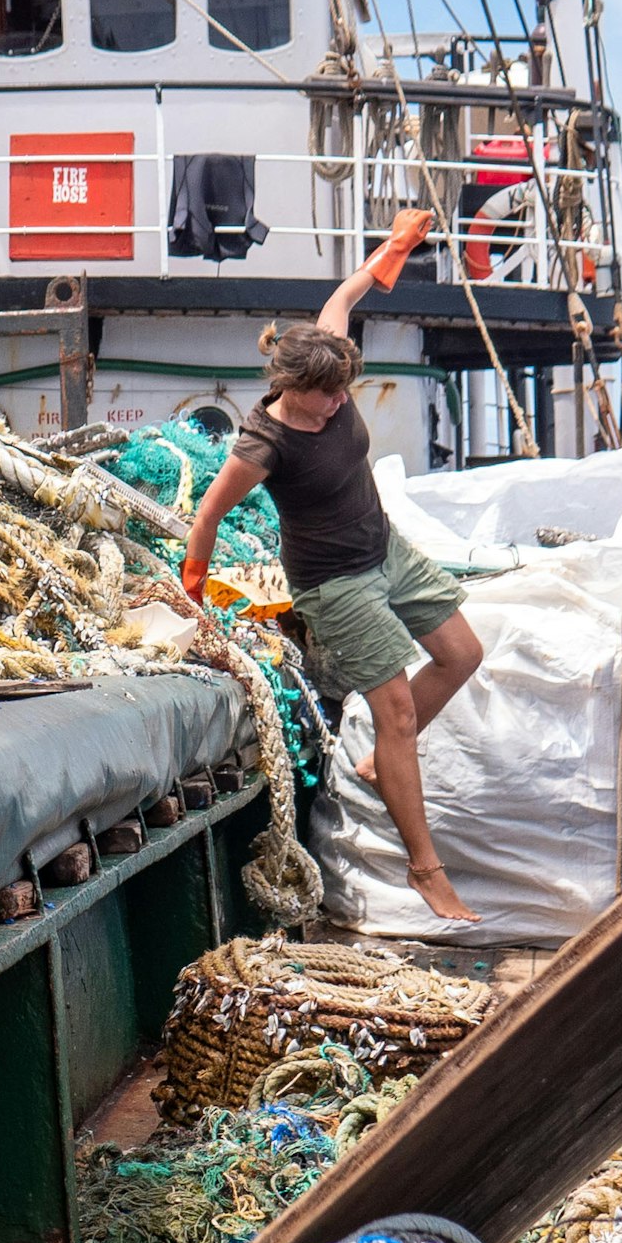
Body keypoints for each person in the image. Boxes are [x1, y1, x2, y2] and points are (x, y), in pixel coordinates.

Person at [183, 211, 488, 926]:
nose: (342, 403)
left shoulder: (325, 360)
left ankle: (386, 761)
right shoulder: (263, 443)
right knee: (401, 714)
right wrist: (193, 596)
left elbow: (348, 295)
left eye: (345, 390)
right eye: (331, 399)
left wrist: (397, 245)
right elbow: (206, 518)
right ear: (295, 390)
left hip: (385, 548)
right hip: (336, 586)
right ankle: (426, 871)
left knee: (462, 654)